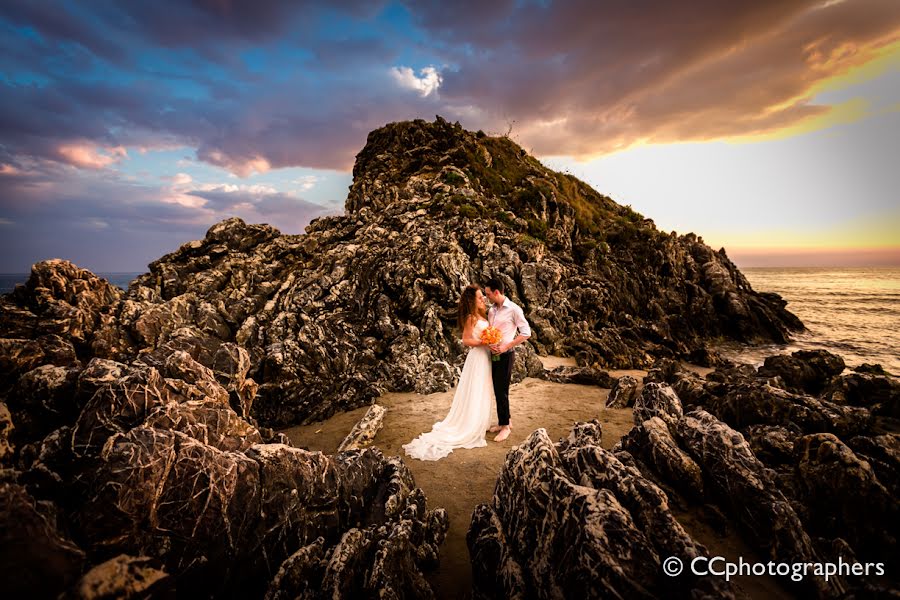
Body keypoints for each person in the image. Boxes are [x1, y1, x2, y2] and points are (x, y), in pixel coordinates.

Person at [403, 285, 494, 461]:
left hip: (486, 357)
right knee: (476, 390)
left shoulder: (482, 315)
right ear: (471, 300)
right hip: (478, 358)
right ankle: (471, 425)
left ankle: (480, 422)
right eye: (479, 297)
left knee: (483, 390)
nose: (482, 299)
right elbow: (466, 339)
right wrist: (484, 342)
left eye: (483, 296)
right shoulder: (470, 318)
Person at [483, 278, 531, 442]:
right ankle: (505, 421)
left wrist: (506, 346)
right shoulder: (491, 310)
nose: (486, 297)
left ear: (497, 292)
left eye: (488, 294)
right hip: (493, 354)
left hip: (506, 355)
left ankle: (505, 428)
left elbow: (526, 333)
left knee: (502, 391)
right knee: (497, 389)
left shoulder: (514, 309)